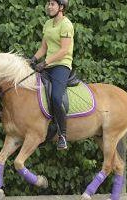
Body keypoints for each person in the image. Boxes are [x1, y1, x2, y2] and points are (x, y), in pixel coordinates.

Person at [30, 0, 74, 150]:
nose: (49, 6)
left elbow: (64, 50)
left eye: (52, 4)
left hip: (62, 66)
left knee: (56, 97)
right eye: (48, 4)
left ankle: (62, 135)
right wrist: (34, 59)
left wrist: (45, 62)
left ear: (61, 7)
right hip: (48, 65)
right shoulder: (48, 24)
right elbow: (44, 47)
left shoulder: (66, 24)